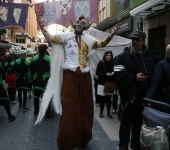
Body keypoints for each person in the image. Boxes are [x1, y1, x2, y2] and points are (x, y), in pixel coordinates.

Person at [35, 12, 120, 150]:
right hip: (70, 75)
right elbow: (49, 37)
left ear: (85, 26)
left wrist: (111, 34)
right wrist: (41, 24)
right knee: (69, 106)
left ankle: (83, 137)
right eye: (78, 22)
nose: (80, 24)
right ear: (74, 25)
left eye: (82, 23)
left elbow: (102, 43)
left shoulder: (89, 39)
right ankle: (67, 140)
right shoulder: (65, 37)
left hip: (85, 75)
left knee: (86, 106)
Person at [113, 31, 155, 150]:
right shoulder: (122, 57)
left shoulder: (150, 56)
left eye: (138, 40)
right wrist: (134, 77)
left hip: (144, 98)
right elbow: (118, 75)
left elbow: (154, 73)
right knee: (126, 123)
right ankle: (123, 146)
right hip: (129, 97)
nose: (135, 42)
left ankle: (135, 144)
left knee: (138, 123)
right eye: (133, 40)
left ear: (143, 41)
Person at [30, 44, 52, 118]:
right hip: (46, 80)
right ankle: (47, 113)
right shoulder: (49, 58)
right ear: (46, 50)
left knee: (36, 96)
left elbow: (31, 70)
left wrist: (31, 79)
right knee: (46, 96)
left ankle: (36, 111)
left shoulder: (34, 58)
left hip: (36, 80)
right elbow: (53, 70)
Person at [96, 50, 115, 119]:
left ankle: (108, 112)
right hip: (102, 83)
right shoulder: (101, 63)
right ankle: (101, 112)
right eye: (107, 55)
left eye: (109, 55)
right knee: (102, 99)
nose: (108, 57)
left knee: (109, 99)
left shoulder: (113, 63)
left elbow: (115, 71)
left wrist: (113, 73)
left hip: (110, 83)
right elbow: (97, 72)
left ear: (111, 56)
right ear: (105, 56)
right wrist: (105, 74)